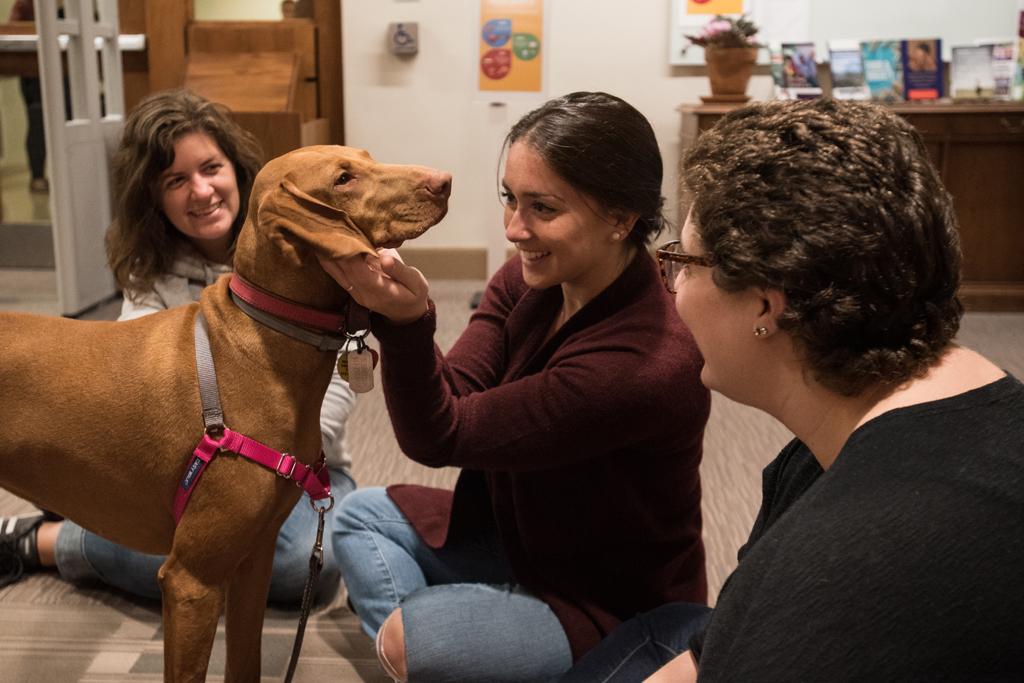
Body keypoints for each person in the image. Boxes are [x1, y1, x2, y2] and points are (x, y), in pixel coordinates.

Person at [561, 98, 1024, 682]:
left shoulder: (833, 574)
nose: (674, 288)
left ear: (763, 303)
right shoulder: (829, 454)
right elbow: (711, 655)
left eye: (683, 262)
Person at [317, 91, 712, 682]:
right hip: (516, 538)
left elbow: (441, 434)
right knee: (358, 516)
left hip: (605, 597)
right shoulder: (527, 281)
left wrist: (405, 322)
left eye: (542, 208)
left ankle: (454, 649)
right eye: (509, 198)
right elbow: (454, 388)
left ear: (622, 218)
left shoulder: (643, 363)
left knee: (408, 637)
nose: (513, 228)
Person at [0, 89, 357, 604]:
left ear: (237, 168)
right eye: (176, 180)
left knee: (304, 566)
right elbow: (139, 412)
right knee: (207, 542)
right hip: (188, 475)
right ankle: (74, 530)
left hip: (304, 473)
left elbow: (328, 406)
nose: (202, 190)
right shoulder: (150, 279)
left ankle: (55, 541)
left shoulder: (307, 255)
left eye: (211, 167)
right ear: (154, 198)